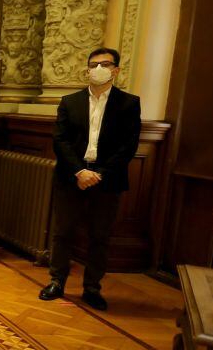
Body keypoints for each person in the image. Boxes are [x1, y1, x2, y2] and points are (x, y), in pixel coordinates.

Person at [40, 47, 141, 311]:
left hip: (107, 178)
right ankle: (57, 281)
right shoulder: (69, 101)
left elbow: (128, 145)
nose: (98, 69)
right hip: (72, 175)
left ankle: (92, 288)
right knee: (62, 232)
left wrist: (100, 174)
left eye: (105, 64)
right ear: (86, 70)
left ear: (116, 70)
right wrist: (79, 171)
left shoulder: (129, 103)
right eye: (93, 64)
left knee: (100, 235)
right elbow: (60, 140)